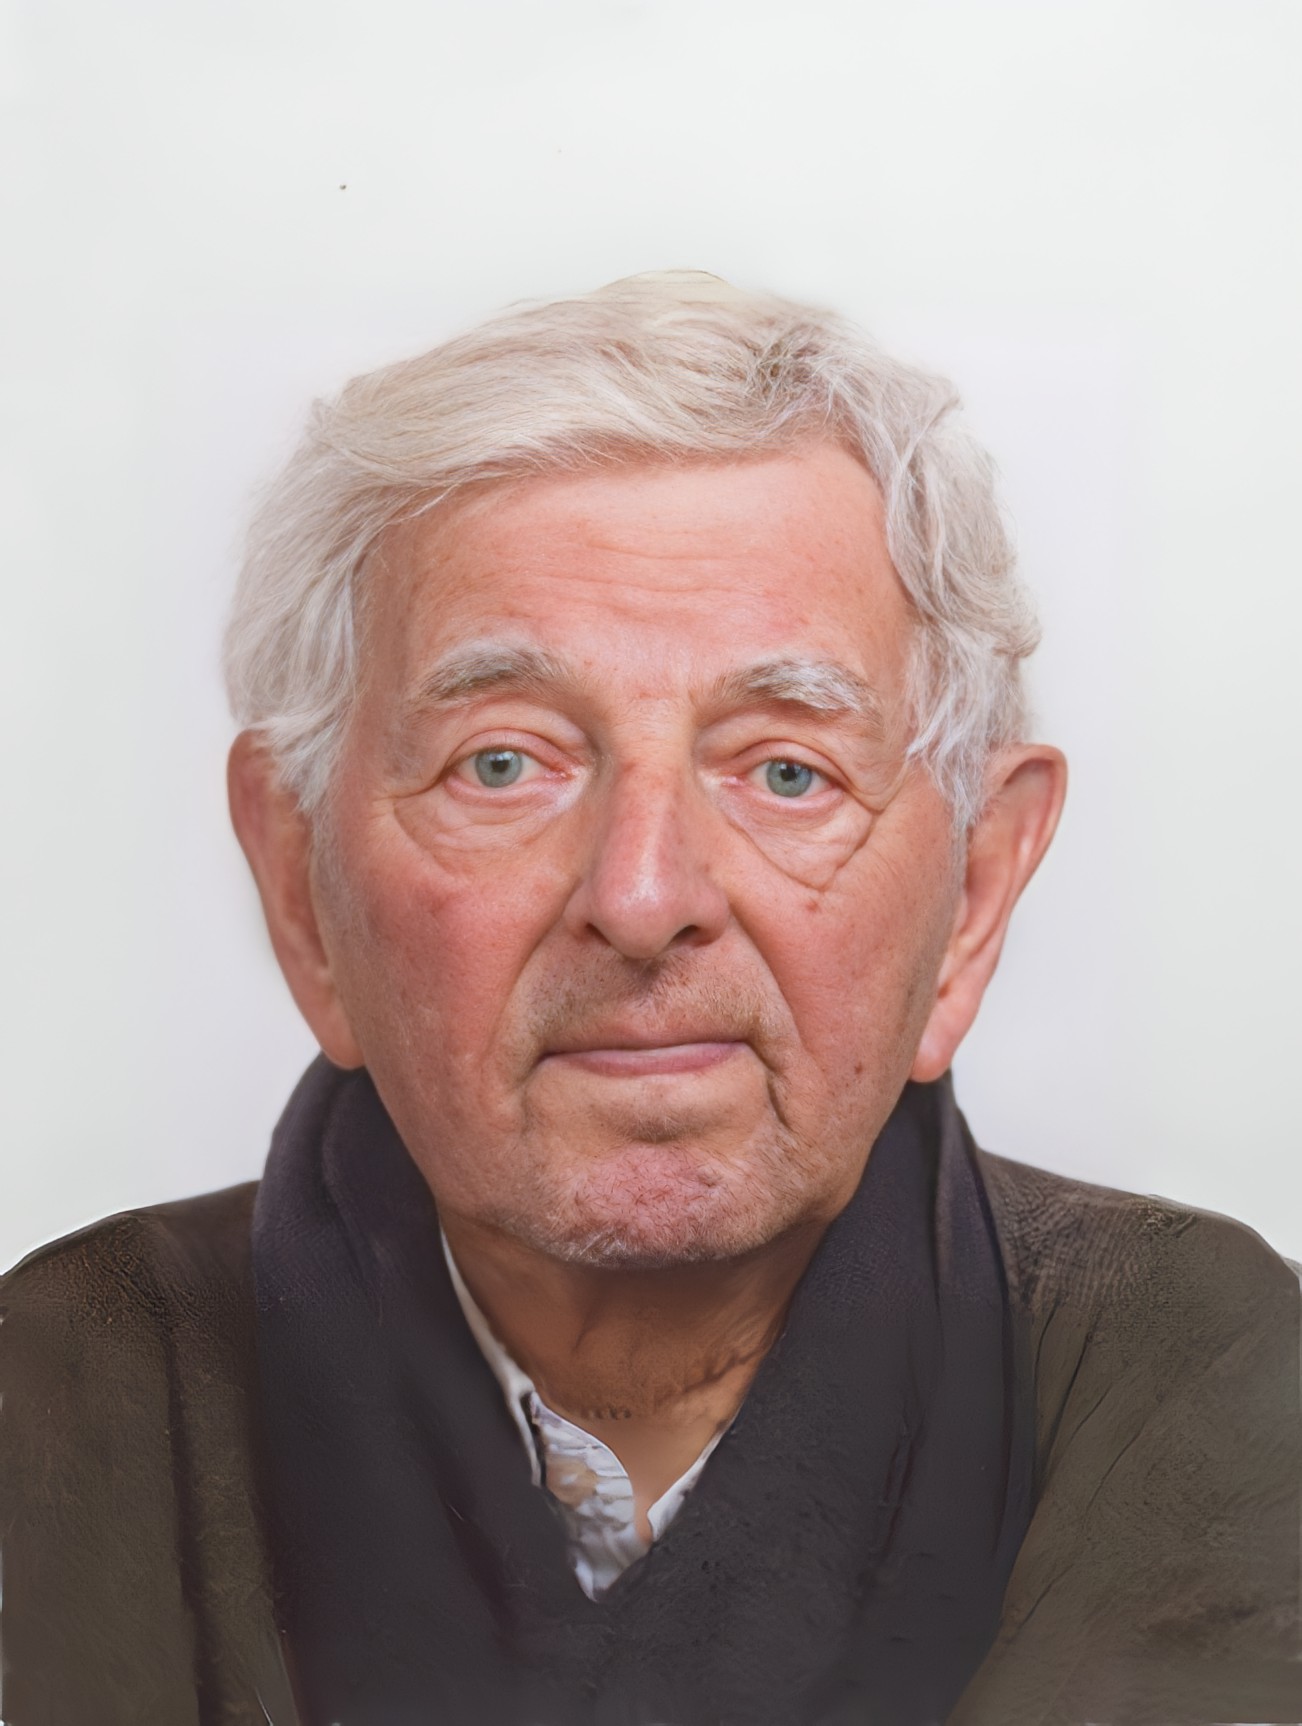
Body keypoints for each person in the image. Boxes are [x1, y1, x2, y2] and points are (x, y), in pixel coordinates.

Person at [2, 273, 1298, 1726]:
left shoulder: (1193, 1358)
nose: (639, 893)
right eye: (503, 763)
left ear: (974, 896)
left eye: (786, 770)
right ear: (303, 887)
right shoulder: (58, 1382)